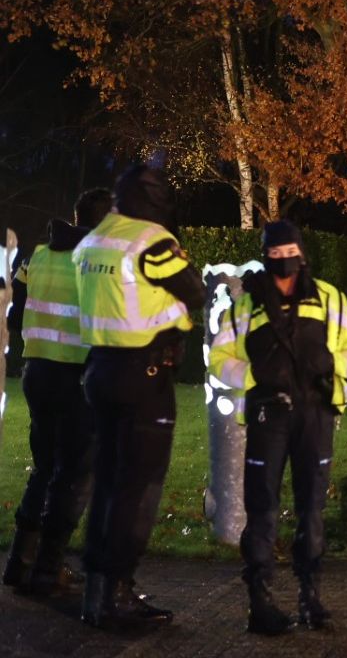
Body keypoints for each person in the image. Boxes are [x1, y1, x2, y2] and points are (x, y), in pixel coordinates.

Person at [209, 220, 347, 636]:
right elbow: (218, 357)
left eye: (290, 254)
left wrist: (332, 367)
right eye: (275, 254)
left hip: (316, 413)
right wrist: (254, 375)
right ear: (266, 256)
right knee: (261, 509)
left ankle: (310, 596)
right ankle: (259, 602)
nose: (284, 262)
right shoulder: (245, 306)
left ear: (302, 255)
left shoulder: (330, 298)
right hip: (268, 414)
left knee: (311, 509)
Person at [74, 166, 203, 630]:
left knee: (107, 480)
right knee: (139, 487)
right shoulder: (151, 239)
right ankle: (119, 592)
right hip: (144, 374)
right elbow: (195, 291)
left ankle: (95, 591)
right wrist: (177, 319)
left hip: (99, 371)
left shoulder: (94, 240)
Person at [3, 189, 111, 596]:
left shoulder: (39, 255)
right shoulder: (97, 262)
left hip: (36, 372)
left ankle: (20, 562)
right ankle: (50, 567)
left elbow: (14, 311)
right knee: (76, 473)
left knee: (45, 467)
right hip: (77, 378)